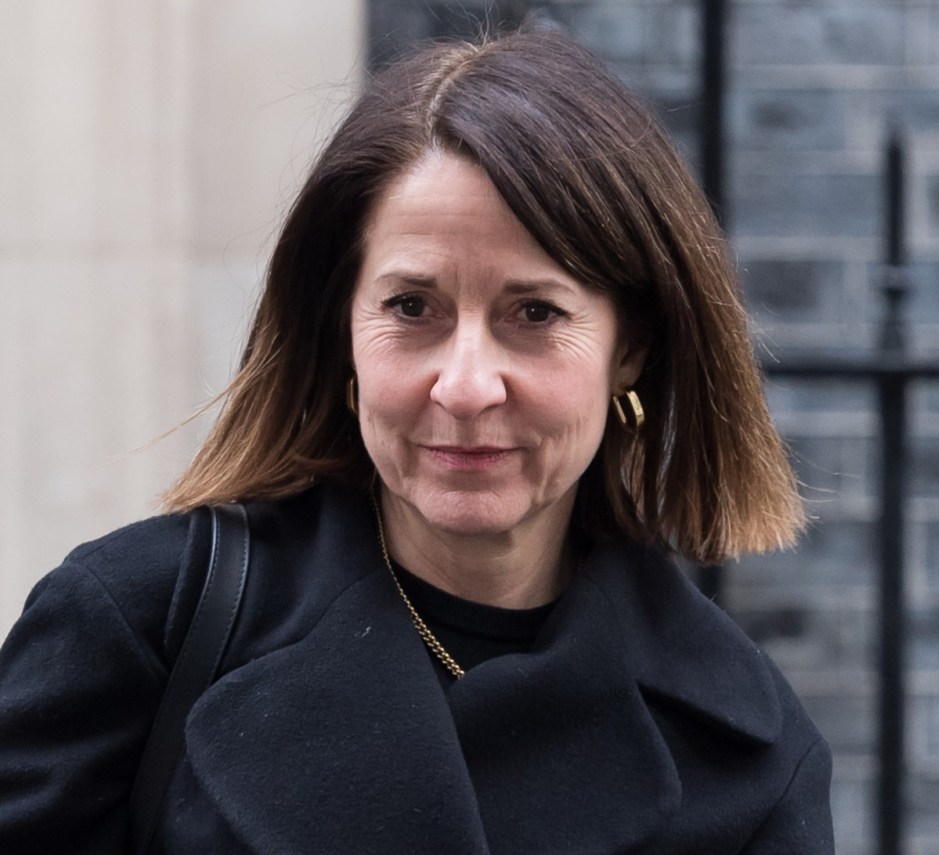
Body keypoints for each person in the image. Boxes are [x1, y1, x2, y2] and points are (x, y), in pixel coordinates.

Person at [0, 28, 833, 854]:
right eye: (411, 307)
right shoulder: (137, 630)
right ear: (341, 329)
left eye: (535, 313)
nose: (466, 386)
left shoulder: (751, 761)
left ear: (632, 349)